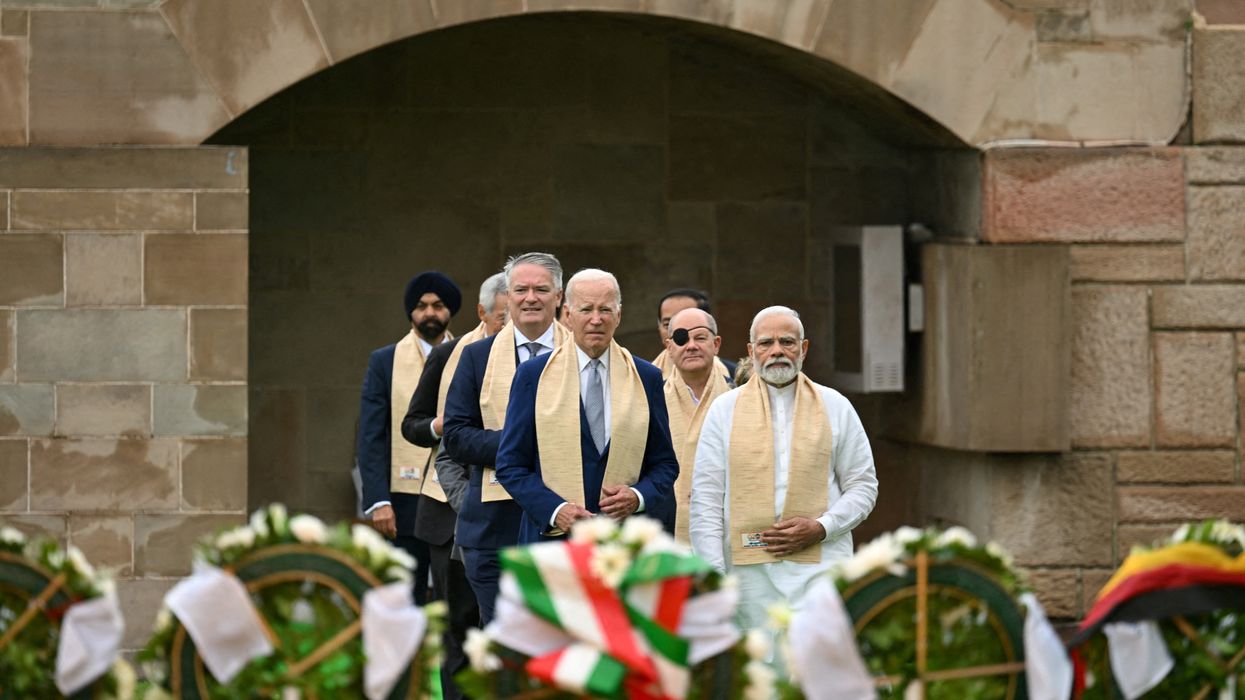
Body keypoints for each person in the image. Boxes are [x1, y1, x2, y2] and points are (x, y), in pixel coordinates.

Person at [689, 305, 877, 632]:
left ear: (803, 349)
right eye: (766, 343)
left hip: (821, 566)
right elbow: (706, 499)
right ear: (751, 352)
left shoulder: (836, 406)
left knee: (817, 658)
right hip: (747, 576)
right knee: (756, 662)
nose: (777, 350)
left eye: (787, 342)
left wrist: (822, 527)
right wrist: (713, 579)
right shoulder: (723, 411)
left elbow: (863, 486)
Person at [495, 268, 680, 544]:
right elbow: (510, 465)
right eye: (586, 309)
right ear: (568, 314)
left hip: (624, 542)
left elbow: (665, 463)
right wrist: (556, 511)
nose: (596, 319)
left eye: (605, 309)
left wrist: (637, 496)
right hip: (553, 543)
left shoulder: (646, 377)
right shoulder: (533, 376)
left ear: (618, 315)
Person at [442, 252, 570, 623]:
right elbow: (456, 436)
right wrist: (522, 445)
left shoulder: (581, 355)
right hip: (492, 529)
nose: (530, 298)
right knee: (504, 642)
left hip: (562, 521)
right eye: (521, 290)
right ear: (509, 296)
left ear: (558, 297)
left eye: (541, 289)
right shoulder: (476, 357)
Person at [399, 271, 506, 700]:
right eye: (503, 316)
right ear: (482, 313)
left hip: (512, 508)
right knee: (457, 625)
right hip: (449, 510)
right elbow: (412, 424)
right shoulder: (452, 356)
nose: (511, 324)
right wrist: (441, 426)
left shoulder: (539, 359)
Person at [358, 271, 461, 605]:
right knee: (403, 597)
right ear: (410, 312)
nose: (429, 313)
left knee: (454, 597)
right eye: (421, 306)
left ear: (450, 310)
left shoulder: (469, 354)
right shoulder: (384, 361)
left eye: (438, 305)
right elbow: (371, 435)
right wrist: (378, 500)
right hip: (402, 499)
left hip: (453, 495)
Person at [662, 307, 733, 542]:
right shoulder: (651, 399)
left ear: (716, 343)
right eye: (682, 339)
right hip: (669, 525)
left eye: (700, 337)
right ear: (669, 347)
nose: (691, 345)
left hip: (729, 522)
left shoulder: (740, 396)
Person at [652, 288, 735, 379]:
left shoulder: (736, 377)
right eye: (667, 324)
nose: (675, 330)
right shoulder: (646, 378)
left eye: (688, 321)